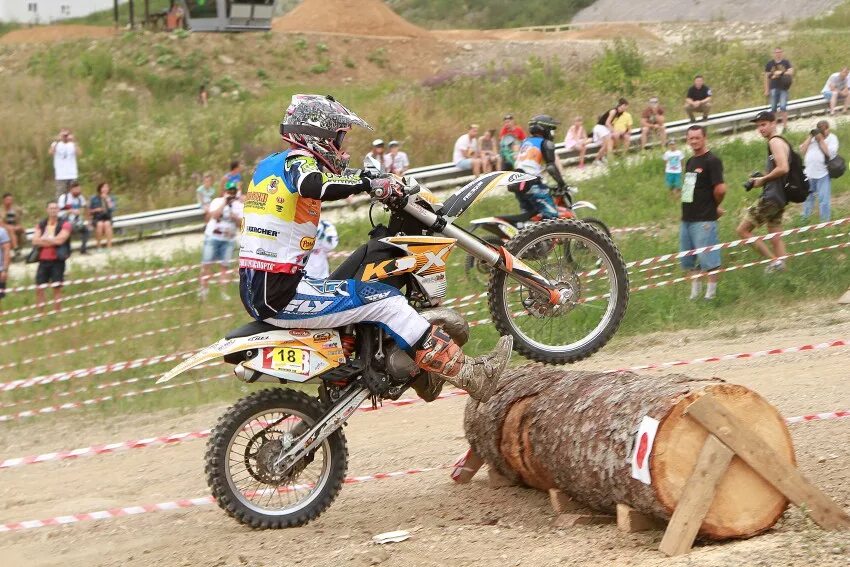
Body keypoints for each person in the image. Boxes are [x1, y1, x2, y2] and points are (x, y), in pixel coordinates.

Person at [239, 94, 512, 403]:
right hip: (280, 292)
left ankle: (400, 373)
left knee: (361, 282)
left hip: (264, 286)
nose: (342, 148)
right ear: (319, 136)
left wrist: (371, 178)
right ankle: (473, 376)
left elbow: (328, 179)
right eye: (339, 138)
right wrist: (369, 184)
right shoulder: (298, 164)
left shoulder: (270, 164)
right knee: (387, 301)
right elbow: (313, 184)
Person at [736, 111, 789, 273]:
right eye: (758, 126)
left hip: (771, 197)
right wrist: (761, 179)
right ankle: (784, 275)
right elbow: (780, 170)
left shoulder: (774, 142)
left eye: (764, 124)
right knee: (776, 238)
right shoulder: (781, 142)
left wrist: (764, 180)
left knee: (742, 231)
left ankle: (774, 263)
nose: (760, 128)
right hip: (780, 197)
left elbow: (783, 168)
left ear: (774, 123)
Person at [680, 126, 725, 300]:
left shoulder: (712, 161)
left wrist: (714, 207)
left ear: (704, 138)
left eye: (697, 138)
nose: (694, 141)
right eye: (690, 138)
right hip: (687, 218)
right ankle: (695, 294)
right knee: (689, 259)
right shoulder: (691, 161)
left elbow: (720, 189)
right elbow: (688, 189)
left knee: (709, 259)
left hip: (704, 218)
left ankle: (710, 295)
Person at [511, 115, 567, 220]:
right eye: (551, 129)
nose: (552, 133)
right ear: (544, 129)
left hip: (518, 184)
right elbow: (551, 167)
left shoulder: (526, 142)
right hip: (532, 184)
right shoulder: (545, 143)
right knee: (552, 217)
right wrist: (561, 183)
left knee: (532, 219)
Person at [200, 181, 242, 300]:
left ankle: (223, 292)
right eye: (229, 191)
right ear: (224, 192)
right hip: (213, 237)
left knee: (225, 267)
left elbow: (241, 224)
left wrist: (235, 217)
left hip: (228, 240)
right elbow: (213, 216)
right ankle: (204, 291)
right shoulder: (217, 201)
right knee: (207, 264)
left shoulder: (238, 205)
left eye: (233, 192)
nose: (231, 194)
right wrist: (224, 202)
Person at [32, 201, 72, 315]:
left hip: (57, 259)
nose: (53, 210)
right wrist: (52, 240)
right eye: (51, 208)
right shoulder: (42, 223)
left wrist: (44, 240)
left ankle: (57, 313)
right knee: (39, 288)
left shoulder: (65, 224)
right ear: (47, 210)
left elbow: (61, 240)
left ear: (58, 210)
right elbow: (35, 240)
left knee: (57, 287)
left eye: (55, 208)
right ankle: (40, 314)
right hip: (43, 260)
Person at [800, 120, 839, 222]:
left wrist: (821, 140)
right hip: (809, 174)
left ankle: (825, 223)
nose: (821, 132)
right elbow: (802, 151)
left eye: (823, 129)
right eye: (819, 129)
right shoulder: (812, 138)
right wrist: (810, 137)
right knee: (808, 200)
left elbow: (830, 154)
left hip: (823, 174)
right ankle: (804, 221)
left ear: (827, 129)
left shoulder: (832, 138)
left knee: (824, 200)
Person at [764, 48, 793, 132]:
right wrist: (766, 89)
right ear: (774, 54)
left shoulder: (786, 62)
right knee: (773, 108)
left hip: (784, 87)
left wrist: (781, 73)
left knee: (783, 107)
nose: (778, 54)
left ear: (782, 53)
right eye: (776, 52)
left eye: (779, 52)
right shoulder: (770, 64)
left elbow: (791, 72)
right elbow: (766, 77)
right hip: (773, 87)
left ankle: (785, 127)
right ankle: (774, 128)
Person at [57, 181, 90, 254]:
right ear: (71, 189)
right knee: (67, 230)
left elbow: (86, 208)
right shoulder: (64, 198)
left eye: (79, 189)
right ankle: (67, 250)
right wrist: (70, 211)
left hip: (76, 221)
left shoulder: (80, 197)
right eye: (76, 189)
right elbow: (59, 212)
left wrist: (87, 221)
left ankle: (83, 249)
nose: (78, 191)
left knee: (86, 230)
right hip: (64, 220)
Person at [593, 98, 628, 165]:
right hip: (601, 127)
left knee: (606, 145)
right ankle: (610, 161)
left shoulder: (619, 113)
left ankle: (598, 159)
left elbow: (611, 124)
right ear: (622, 105)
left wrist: (618, 131)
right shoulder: (613, 111)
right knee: (609, 143)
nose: (626, 109)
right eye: (625, 107)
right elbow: (607, 123)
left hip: (604, 128)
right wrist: (614, 131)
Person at [49, 129, 82, 198]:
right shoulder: (55, 144)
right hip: (61, 175)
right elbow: (51, 153)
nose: (65, 137)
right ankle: (60, 207)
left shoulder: (73, 144)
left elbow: (79, 153)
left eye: (66, 135)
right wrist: (58, 140)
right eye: (63, 135)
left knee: (74, 193)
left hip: (72, 174)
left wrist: (74, 141)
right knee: (60, 195)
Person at [89, 182, 116, 252]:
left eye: (107, 187)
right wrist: (96, 210)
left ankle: (109, 247)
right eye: (103, 187)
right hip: (97, 218)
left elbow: (112, 209)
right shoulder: (94, 198)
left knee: (107, 224)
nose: (105, 189)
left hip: (107, 217)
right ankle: (98, 247)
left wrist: (108, 200)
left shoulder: (111, 197)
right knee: (100, 224)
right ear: (100, 189)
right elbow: (89, 211)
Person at [1, 193, 25, 260]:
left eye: (11, 199)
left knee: (20, 229)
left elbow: (19, 221)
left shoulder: (16, 209)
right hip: (3, 229)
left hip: (14, 228)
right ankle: (16, 250)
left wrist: (18, 226)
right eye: (7, 199)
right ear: (4, 200)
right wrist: (10, 227)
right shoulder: (1, 210)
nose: (9, 201)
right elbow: (1, 224)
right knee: (10, 229)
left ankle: (18, 249)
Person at [0, 225, 9, 311]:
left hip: (0, 269)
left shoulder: (2, 232)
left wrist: (5, 270)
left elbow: (6, 251)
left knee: (0, 297)